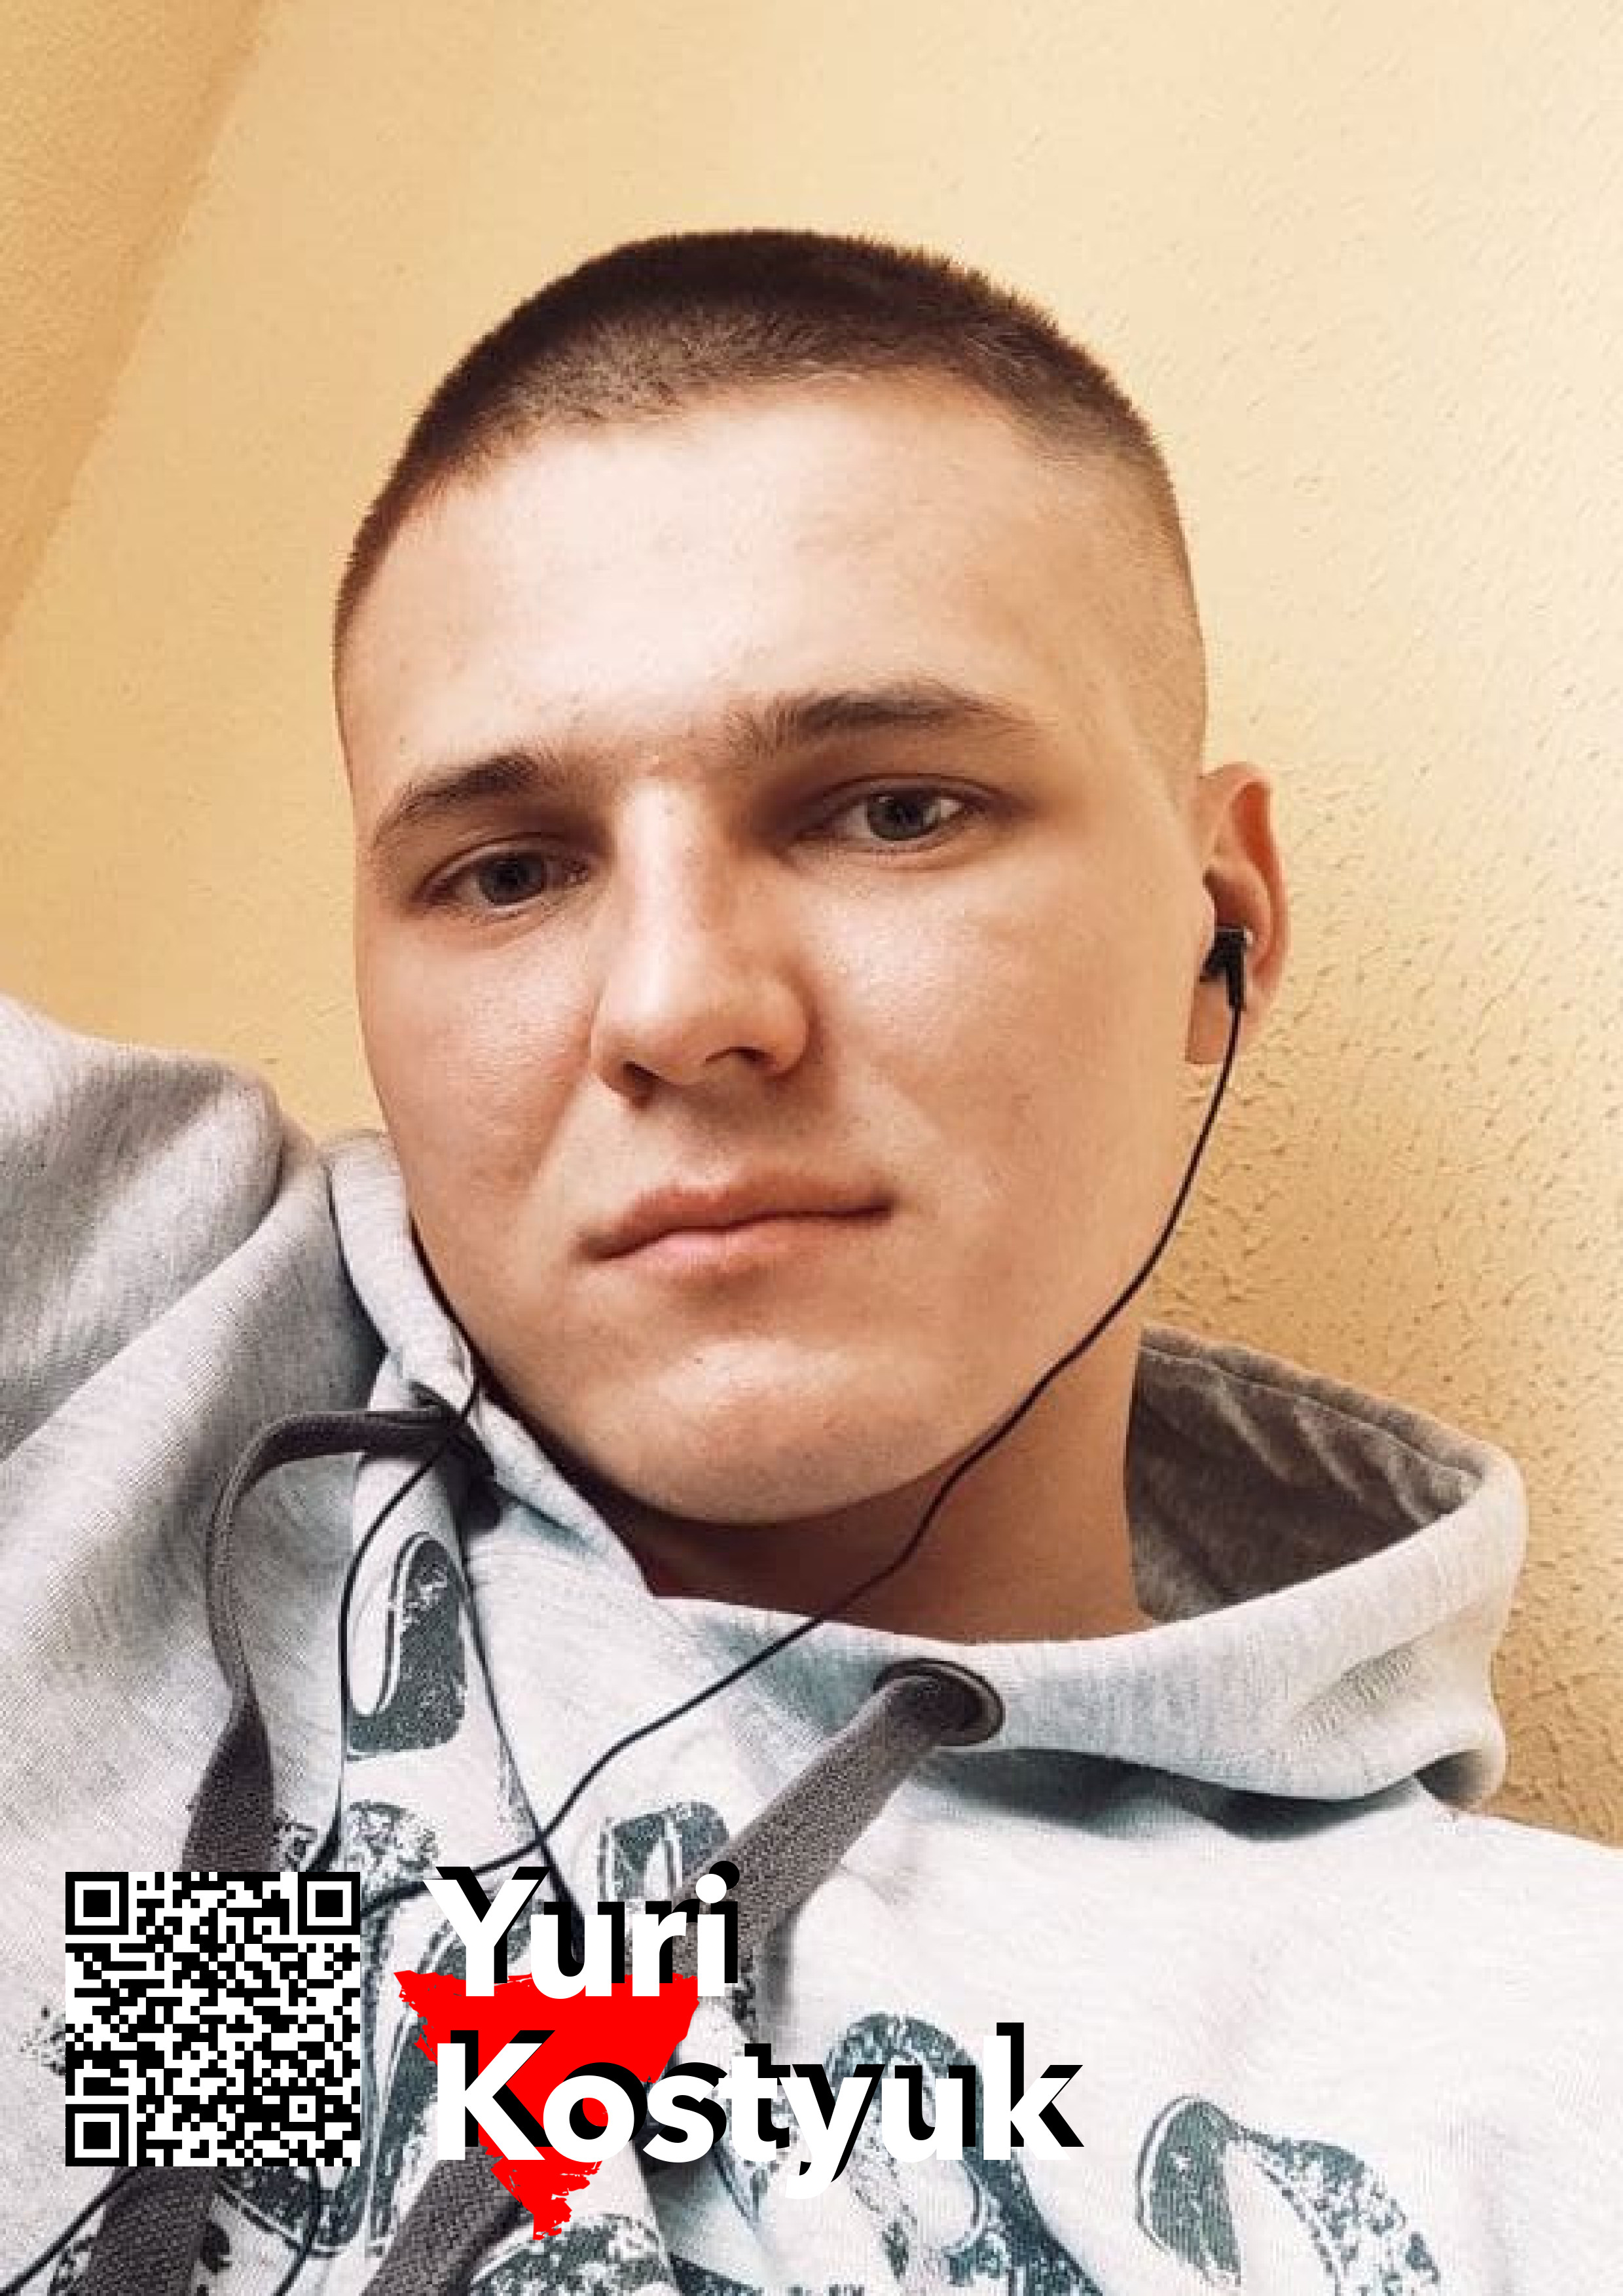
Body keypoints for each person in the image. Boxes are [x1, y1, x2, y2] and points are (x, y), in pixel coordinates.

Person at [1, 228, 1617, 2295]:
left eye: (893, 811)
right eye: (507, 868)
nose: (681, 1005)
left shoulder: (1557, 2079)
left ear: (1224, 925)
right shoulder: (134, 1346)